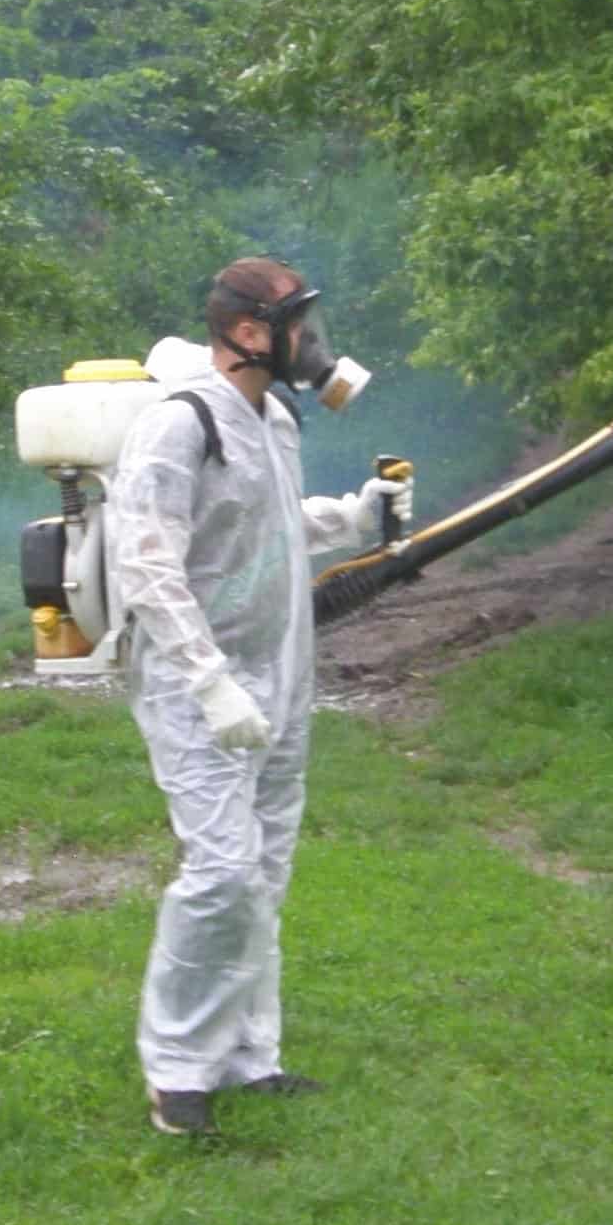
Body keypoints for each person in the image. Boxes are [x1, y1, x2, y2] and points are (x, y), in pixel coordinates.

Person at [105, 258, 410, 1136]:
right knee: (223, 871)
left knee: (264, 869)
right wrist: (208, 684)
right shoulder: (178, 425)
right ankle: (175, 1072)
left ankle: (246, 1057)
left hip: (279, 670)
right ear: (247, 331)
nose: (313, 346)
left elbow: (271, 523)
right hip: (196, 683)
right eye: (297, 327)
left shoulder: (272, 415)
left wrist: (355, 516)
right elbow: (147, 562)